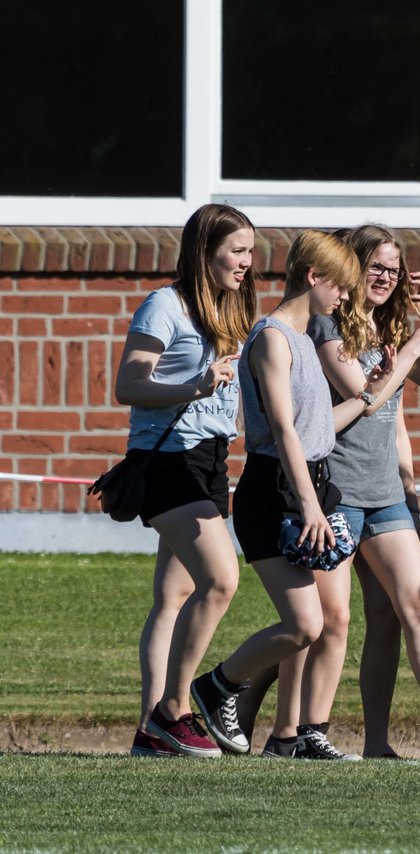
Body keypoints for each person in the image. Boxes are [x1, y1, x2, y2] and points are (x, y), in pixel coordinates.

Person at [276, 223, 420, 762]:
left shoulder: (397, 324)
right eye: (375, 266)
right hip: (333, 492)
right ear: (353, 269)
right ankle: (301, 732)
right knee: (330, 622)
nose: (385, 277)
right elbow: (364, 395)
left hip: (385, 495)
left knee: (407, 612)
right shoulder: (326, 323)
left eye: (393, 268)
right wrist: (411, 349)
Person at [188, 230, 389, 758]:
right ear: (315, 277)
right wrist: (310, 506)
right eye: (341, 287)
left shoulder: (304, 340)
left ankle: (290, 737)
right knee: (304, 623)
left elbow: (321, 427)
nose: (346, 298)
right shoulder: (273, 337)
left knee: (320, 622)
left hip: (311, 483)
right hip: (275, 491)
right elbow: (283, 430)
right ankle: (218, 685)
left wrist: (370, 393)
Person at [118, 203, 256, 758]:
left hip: (211, 458)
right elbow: (129, 384)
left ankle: (150, 733)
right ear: (206, 250)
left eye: (251, 251)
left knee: (173, 594)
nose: (247, 262)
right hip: (169, 459)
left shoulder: (228, 309)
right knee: (221, 581)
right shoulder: (164, 305)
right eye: (237, 250)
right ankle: (173, 711)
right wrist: (196, 384)